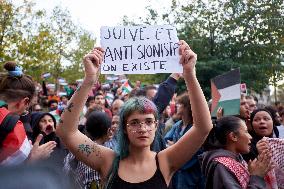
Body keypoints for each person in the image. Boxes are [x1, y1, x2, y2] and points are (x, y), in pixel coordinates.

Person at [56, 41, 213, 189]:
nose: (143, 128)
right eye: (135, 122)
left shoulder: (166, 161)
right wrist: (89, 80)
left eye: (149, 121)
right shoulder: (107, 161)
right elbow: (67, 132)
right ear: (124, 127)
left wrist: (190, 75)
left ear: (156, 125)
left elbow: (203, 128)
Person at [0, 61, 56, 165]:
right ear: (25, 101)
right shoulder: (14, 129)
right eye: (28, 105)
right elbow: (10, 176)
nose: (26, 110)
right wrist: (33, 159)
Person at [202, 116, 272, 189]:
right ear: (233, 136)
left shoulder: (237, 158)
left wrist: (251, 172)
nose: (250, 137)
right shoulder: (223, 166)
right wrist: (257, 177)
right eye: (246, 131)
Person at [164, 92, 205, 188]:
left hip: (191, 176)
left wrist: (175, 147)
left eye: (180, 104)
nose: (177, 106)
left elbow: (196, 152)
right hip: (176, 175)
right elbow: (166, 141)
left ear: (187, 107)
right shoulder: (178, 125)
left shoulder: (195, 129)